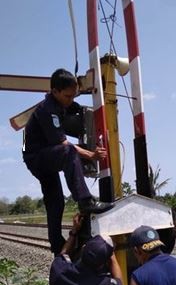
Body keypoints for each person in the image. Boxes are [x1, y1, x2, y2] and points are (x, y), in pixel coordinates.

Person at [22, 68, 113, 255]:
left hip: (47, 158)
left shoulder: (64, 103)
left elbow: (79, 111)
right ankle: (85, 201)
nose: (70, 100)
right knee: (68, 150)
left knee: (56, 202)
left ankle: (58, 247)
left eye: (73, 96)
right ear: (54, 91)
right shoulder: (47, 110)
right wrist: (91, 155)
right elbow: (64, 146)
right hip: (37, 158)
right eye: (67, 96)